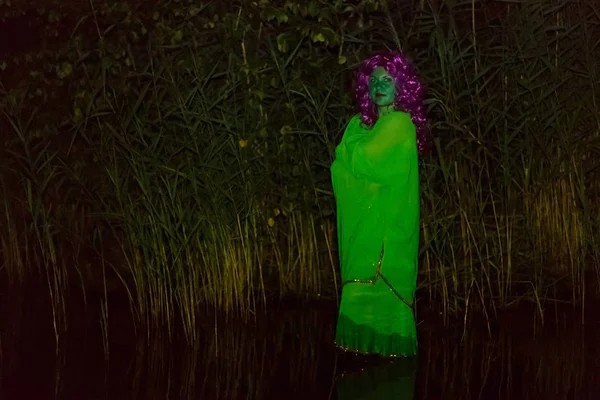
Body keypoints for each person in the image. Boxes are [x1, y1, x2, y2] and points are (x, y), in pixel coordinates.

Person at [330, 51, 430, 358]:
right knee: (355, 349)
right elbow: (339, 168)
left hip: (389, 246)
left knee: (391, 338)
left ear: (402, 87)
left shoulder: (401, 125)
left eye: (388, 79)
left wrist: (354, 162)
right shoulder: (356, 126)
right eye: (373, 81)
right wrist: (354, 163)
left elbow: (365, 159)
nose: (379, 86)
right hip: (360, 245)